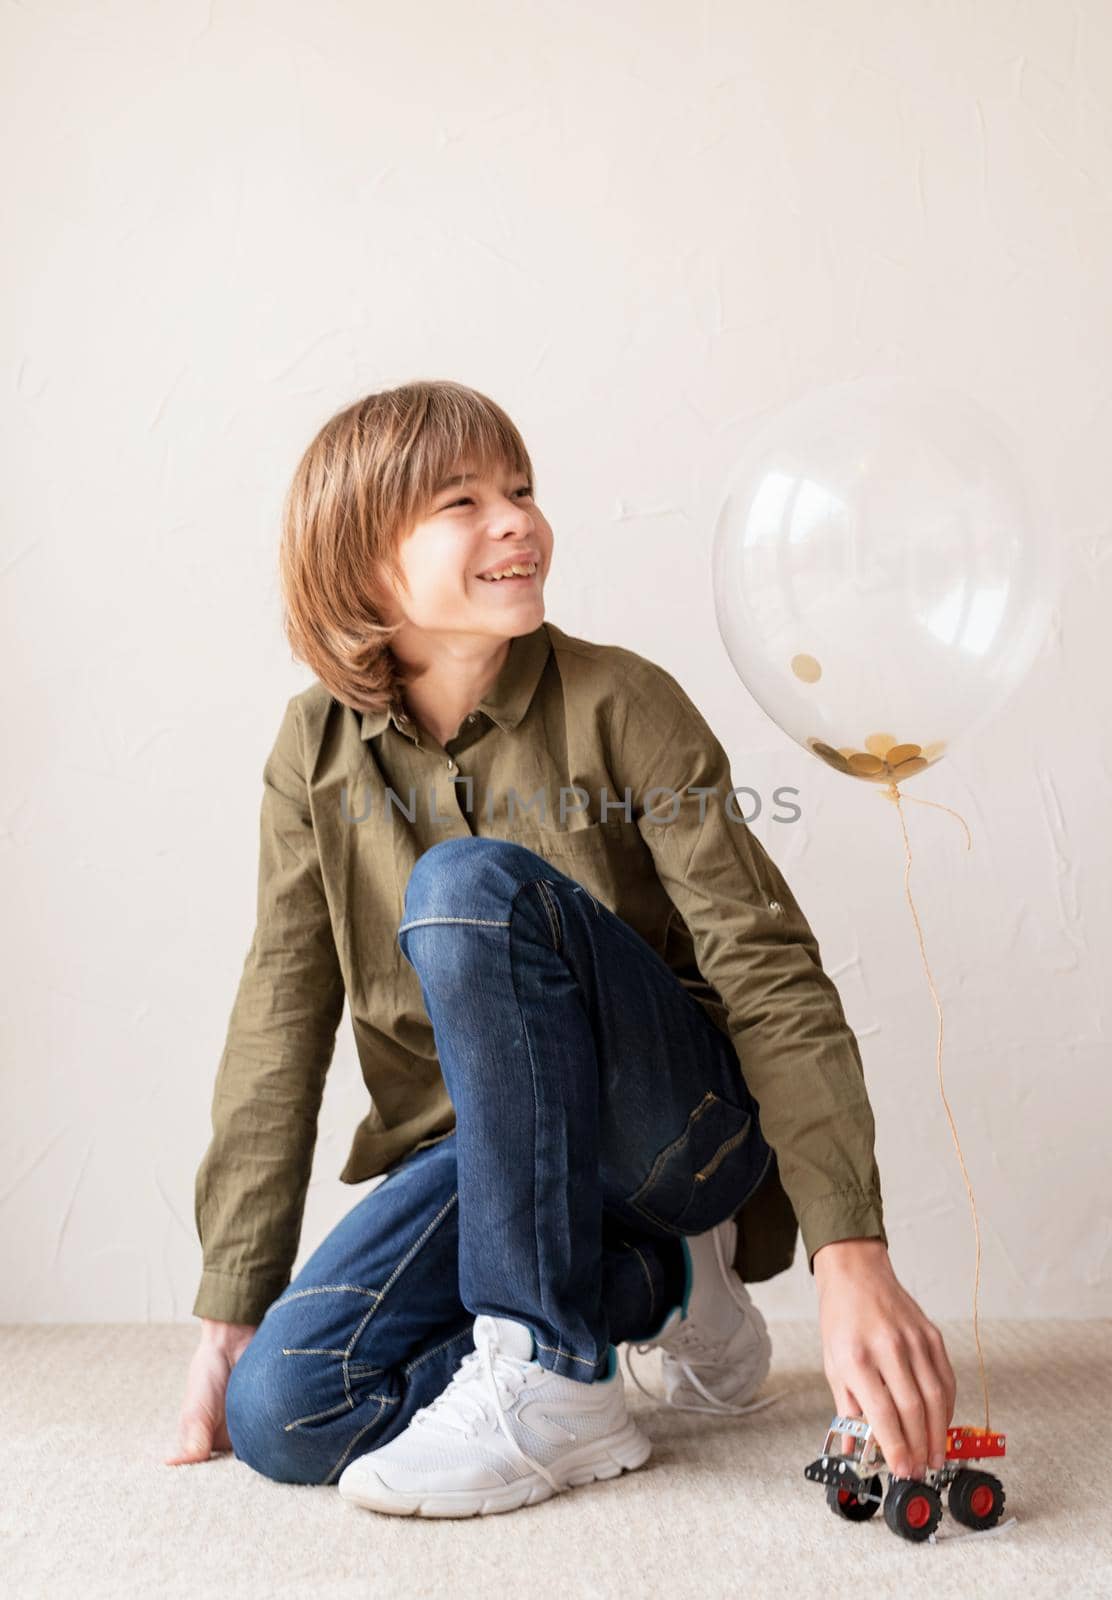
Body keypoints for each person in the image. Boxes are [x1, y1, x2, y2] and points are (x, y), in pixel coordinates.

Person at [166, 380, 956, 1517]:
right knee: (284, 1411)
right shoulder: (312, 751)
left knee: (464, 886)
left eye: (522, 489)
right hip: (489, 1163)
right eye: (464, 500)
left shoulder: (623, 700)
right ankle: (659, 1287)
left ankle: (557, 1371)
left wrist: (851, 1251)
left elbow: (766, 967)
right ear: (361, 563)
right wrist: (228, 1312)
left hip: (672, 1136)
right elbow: (278, 1015)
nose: (518, 521)